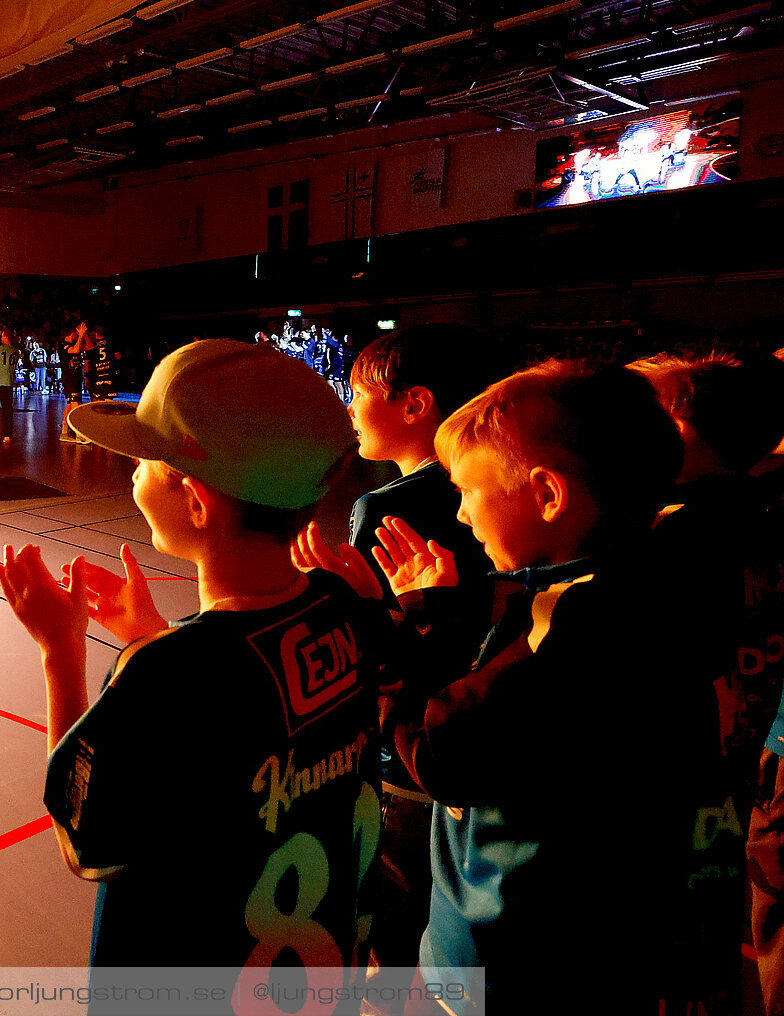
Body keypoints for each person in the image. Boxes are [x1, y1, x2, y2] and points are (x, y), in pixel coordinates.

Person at [0, 339, 380, 977]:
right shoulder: (345, 610)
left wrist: (62, 653)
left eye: (147, 462)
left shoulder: (171, 674)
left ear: (197, 502)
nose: (132, 474)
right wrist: (151, 637)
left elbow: (87, 834)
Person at [379, 359, 716, 1014]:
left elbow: (443, 753)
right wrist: (448, 619)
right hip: (610, 945)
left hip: (506, 961)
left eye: (469, 490)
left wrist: (400, 643)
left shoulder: (573, 640)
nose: (460, 510)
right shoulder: (647, 583)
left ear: (547, 494)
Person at [289, 323, 504, 976]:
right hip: (477, 737)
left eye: (359, 394)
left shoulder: (385, 506)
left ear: (415, 404)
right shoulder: (489, 495)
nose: (350, 408)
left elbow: (373, 642)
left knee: (394, 932)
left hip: (405, 753)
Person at [632, 351, 784, 1011]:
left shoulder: (658, 539)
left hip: (664, 794)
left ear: (679, 432)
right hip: (749, 780)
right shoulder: (770, 514)